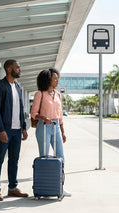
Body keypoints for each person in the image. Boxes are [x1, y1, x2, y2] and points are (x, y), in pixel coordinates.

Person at [0, 59, 28, 201]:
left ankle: (12, 188)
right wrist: (0, 130)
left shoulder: (18, 87)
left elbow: (21, 108)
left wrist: (23, 127)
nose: (19, 69)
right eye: (17, 67)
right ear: (8, 69)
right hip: (5, 130)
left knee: (14, 160)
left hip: (17, 131)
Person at [30, 68, 71, 196]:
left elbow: (60, 116)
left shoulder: (58, 95)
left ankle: (60, 187)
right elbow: (33, 114)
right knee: (44, 157)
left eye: (57, 78)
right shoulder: (40, 94)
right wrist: (44, 118)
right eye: (55, 78)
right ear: (48, 80)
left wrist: (63, 132)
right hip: (44, 126)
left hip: (56, 127)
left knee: (61, 157)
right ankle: (44, 187)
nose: (57, 80)